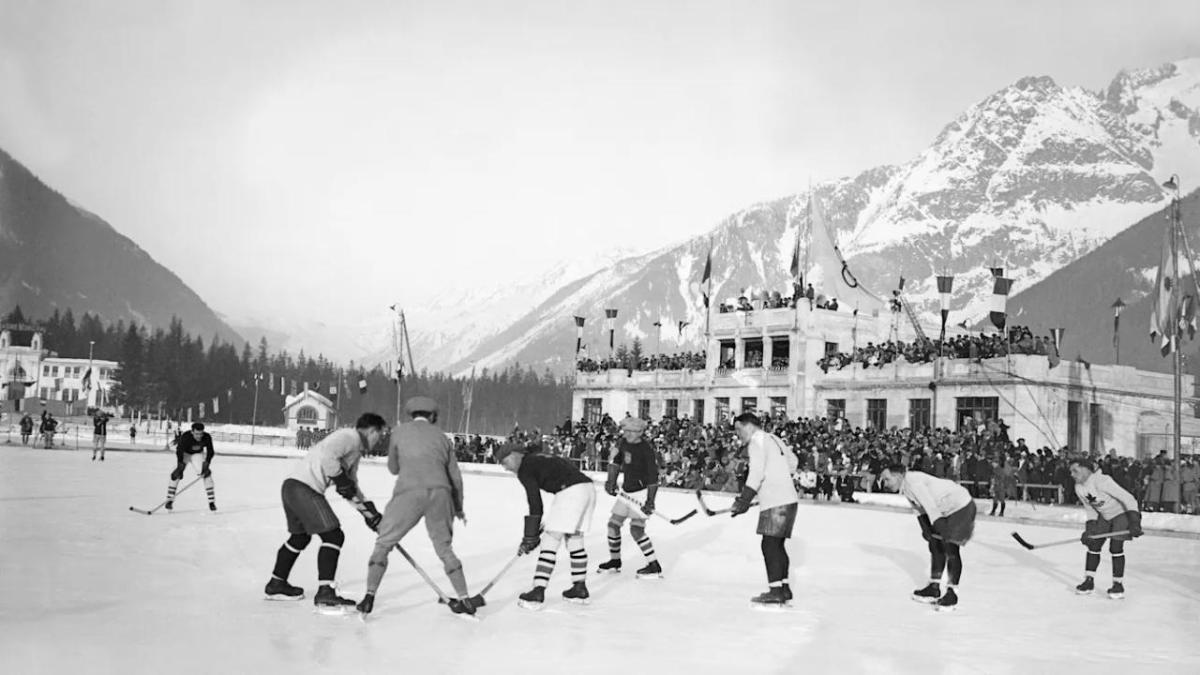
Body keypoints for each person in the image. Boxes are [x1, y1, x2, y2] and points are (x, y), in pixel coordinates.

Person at [358, 397, 474, 617]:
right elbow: (455, 478)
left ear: (412, 414)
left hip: (408, 492)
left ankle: (369, 596)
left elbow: (393, 468)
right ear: (432, 416)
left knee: (384, 543)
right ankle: (465, 598)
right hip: (441, 493)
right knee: (444, 548)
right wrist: (458, 508)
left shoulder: (399, 433)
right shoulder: (442, 437)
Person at [265, 412, 385, 610]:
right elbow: (328, 456)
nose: (378, 440)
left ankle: (276, 584)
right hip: (304, 488)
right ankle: (325, 592)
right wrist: (339, 478)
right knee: (333, 536)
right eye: (379, 435)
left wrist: (369, 513)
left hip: (292, 487)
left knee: (300, 538)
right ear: (372, 431)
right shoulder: (350, 437)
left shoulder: (355, 450)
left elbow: (350, 486)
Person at [494, 442, 596, 610]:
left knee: (550, 541)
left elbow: (535, 503)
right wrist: (531, 534)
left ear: (514, 455)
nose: (505, 468)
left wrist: (530, 536)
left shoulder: (525, 468)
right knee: (575, 539)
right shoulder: (538, 457)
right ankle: (579, 588)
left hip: (570, 492)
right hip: (587, 489)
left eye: (504, 462)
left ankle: (538, 592)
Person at [879, 463, 976, 611]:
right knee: (935, 545)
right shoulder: (905, 486)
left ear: (898, 476)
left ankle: (952, 593)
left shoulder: (913, 482)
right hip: (945, 510)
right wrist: (925, 528)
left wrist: (939, 527)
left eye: (887, 479)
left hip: (961, 507)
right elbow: (919, 508)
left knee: (951, 548)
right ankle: (934, 587)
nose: (884, 483)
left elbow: (930, 506)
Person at [728, 412, 800, 608]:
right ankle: (784, 588)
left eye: (738, 429)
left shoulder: (756, 441)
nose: (738, 434)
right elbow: (793, 462)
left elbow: (756, 473)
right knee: (777, 545)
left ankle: (775, 591)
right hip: (788, 498)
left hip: (776, 501)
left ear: (749, 426)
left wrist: (744, 499)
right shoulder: (773, 438)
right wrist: (777, 480)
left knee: (769, 545)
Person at [599, 416, 663, 579]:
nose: (625, 433)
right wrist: (611, 481)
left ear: (639, 433)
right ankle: (615, 561)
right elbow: (616, 462)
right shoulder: (624, 442)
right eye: (625, 430)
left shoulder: (646, 450)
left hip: (641, 493)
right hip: (626, 492)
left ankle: (653, 565)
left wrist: (650, 500)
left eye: (629, 431)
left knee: (636, 530)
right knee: (613, 525)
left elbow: (653, 477)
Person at [1069, 458, 1142, 599]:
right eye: (1071, 471)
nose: (1072, 474)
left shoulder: (1102, 481)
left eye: (1075, 471)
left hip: (1121, 514)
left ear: (1086, 469)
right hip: (1104, 515)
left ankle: (1118, 584)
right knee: (1093, 544)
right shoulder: (1079, 487)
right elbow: (1090, 509)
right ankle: (1089, 581)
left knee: (1115, 547)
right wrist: (1090, 529)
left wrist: (1134, 522)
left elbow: (1128, 498)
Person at [166, 422, 217, 511]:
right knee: (175, 475)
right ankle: (169, 501)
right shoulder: (186, 437)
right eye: (197, 434)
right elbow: (179, 451)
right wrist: (180, 466)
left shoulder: (207, 437)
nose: (199, 436)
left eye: (201, 434)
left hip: (197, 454)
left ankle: (211, 502)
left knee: (207, 475)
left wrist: (206, 464)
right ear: (192, 432)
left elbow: (210, 451)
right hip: (185, 454)